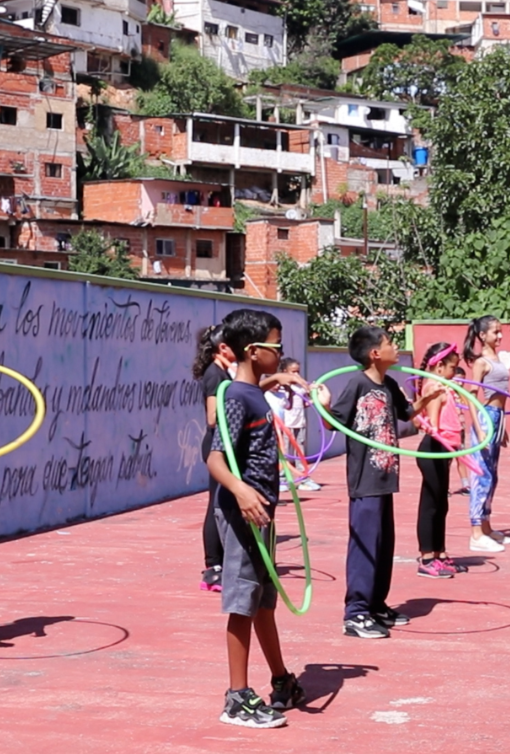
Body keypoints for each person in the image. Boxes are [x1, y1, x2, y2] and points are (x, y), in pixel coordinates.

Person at [206, 308, 305, 728]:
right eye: (277, 347)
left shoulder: (252, 393)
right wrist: (242, 491)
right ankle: (237, 697)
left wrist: (276, 380)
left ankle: (281, 679)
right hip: (243, 511)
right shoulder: (233, 395)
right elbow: (215, 458)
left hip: (263, 512)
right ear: (254, 350)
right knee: (243, 602)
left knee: (263, 602)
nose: (281, 354)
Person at [317, 325, 437, 639]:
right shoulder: (357, 384)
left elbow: (407, 414)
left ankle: (376, 604)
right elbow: (336, 423)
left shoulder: (389, 384)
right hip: (364, 478)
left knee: (384, 545)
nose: (396, 347)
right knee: (365, 544)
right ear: (375, 353)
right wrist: (324, 406)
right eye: (390, 343)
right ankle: (355, 613)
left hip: (385, 477)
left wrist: (428, 398)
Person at [413, 343, 478, 579]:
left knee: (442, 504)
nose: (455, 372)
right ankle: (427, 558)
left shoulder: (445, 387)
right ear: (439, 367)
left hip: (445, 450)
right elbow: (433, 426)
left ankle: (440, 553)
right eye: (453, 367)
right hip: (434, 450)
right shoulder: (434, 387)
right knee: (431, 505)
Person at [464, 316, 510, 552]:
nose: (500, 336)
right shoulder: (481, 362)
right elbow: (472, 396)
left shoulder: (498, 359)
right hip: (486, 416)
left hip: (498, 417)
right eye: (495, 332)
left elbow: (502, 394)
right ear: (482, 335)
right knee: (482, 475)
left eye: (501, 331)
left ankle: (486, 526)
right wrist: (480, 427)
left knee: (492, 475)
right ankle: (475, 532)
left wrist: (501, 427)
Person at [194, 325, 235, 593]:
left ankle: (221, 562)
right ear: (222, 347)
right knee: (216, 503)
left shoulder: (221, 373)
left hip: (225, 445)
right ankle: (213, 566)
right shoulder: (215, 376)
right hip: (217, 448)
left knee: (222, 502)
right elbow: (211, 417)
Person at [277, 357, 322, 492]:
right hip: (286, 425)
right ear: (285, 372)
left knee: (300, 451)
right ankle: (282, 478)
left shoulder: (300, 387)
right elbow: (286, 405)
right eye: (293, 372)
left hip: (299, 423)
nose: (296, 375)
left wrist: (312, 396)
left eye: (298, 372)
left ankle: (303, 477)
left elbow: (303, 403)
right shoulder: (283, 388)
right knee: (285, 452)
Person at [450, 364, 472, 497]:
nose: (460, 383)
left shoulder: (460, 393)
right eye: (457, 380)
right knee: (446, 460)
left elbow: (468, 404)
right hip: (448, 429)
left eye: (463, 381)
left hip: (460, 429)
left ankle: (465, 484)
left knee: (461, 457)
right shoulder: (446, 391)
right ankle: (444, 486)